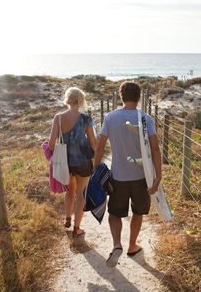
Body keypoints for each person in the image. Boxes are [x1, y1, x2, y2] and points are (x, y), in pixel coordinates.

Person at [94, 81, 161, 267]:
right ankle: (132, 246)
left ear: (121, 96)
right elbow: (155, 150)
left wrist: (95, 168)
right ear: (139, 97)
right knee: (138, 212)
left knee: (115, 213)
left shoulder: (111, 117)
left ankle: (117, 244)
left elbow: (100, 145)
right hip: (142, 177)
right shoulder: (146, 119)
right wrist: (158, 176)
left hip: (118, 177)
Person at [49, 87, 97, 238]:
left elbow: (51, 144)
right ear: (81, 100)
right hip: (83, 162)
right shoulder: (85, 118)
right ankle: (77, 228)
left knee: (69, 192)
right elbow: (94, 144)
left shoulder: (59, 118)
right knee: (81, 195)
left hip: (65, 163)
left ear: (67, 99)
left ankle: (67, 219)